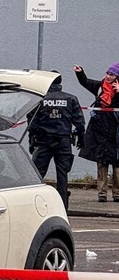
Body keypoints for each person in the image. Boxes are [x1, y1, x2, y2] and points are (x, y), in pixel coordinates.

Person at [28, 72, 85, 210]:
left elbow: (32, 122)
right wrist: (81, 140)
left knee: (36, 175)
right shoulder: (70, 99)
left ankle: (35, 206)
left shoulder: (40, 99)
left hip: (43, 142)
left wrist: (32, 141)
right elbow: (79, 123)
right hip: (63, 142)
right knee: (62, 176)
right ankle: (63, 208)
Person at [74, 62, 119, 202]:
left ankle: (117, 194)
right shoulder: (100, 86)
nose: (108, 76)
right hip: (100, 131)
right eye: (108, 73)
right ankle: (102, 194)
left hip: (116, 132)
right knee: (101, 163)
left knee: (117, 164)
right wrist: (80, 72)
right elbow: (86, 82)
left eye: (112, 74)